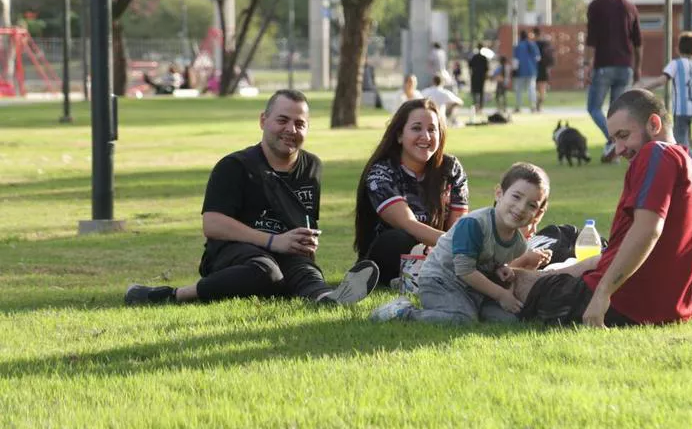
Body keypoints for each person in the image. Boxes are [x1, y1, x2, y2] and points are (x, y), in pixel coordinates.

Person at [124, 89, 379, 306]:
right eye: (282, 120)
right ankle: (172, 294)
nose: (290, 129)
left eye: (299, 124)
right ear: (263, 121)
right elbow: (212, 224)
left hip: (285, 254)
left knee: (306, 274)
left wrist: (304, 242)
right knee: (265, 272)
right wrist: (272, 241)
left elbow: (305, 220)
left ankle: (329, 299)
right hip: (233, 253)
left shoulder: (312, 167)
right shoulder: (234, 165)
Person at [500, 89, 692, 328]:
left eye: (624, 135)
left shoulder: (656, 153)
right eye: (614, 140)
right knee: (564, 235)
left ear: (653, 124)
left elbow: (648, 230)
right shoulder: (684, 162)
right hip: (661, 303)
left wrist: (602, 294)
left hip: (626, 303)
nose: (619, 149)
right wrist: (554, 274)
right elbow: (625, 246)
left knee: (504, 277)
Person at [370, 163, 550, 324]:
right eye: (516, 197)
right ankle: (404, 312)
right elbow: (464, 270)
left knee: (511, 320)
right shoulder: (474, 225)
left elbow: (487, 256)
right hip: (441, 280)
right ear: (499, 193)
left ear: (538, 212)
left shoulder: (518, 245)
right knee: (461, 319)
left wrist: (500, 268)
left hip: (473, 288)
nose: (521, 208)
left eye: (531, 205)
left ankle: (468, 307)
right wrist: (501, 294)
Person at [354, 99, 469, 286]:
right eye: (416, 128)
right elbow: (409, 224)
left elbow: (457, 225)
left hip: (437, 251)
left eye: (432, 129)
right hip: (391, 253)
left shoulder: (451, 168)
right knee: (399, 239)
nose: (426, 136)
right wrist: (458, 246)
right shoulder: (380, 172)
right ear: (399, 135)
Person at [584, 0, 643, 162]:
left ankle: (612, 141)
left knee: (594, 107)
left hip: (604, 64)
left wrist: (587, 64)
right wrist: (637, 67)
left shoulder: (596, 6)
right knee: (616, 112)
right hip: (625, 65)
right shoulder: (630, 7)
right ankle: (617, 149)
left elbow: (591, 39)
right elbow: (638, 42)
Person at [641, 31, 692, 175]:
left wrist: (643, 88)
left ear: (677, 49)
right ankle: (674, 168)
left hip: (681, 109)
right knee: (677, 137)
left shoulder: (676, 64)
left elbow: (662, 80)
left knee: (680, 141)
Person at [512, 30, 540, 113]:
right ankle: (533, 106)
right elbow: (538, 58)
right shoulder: (532, 44)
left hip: (520, 71)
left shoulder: (518, 46)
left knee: (519, 89)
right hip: (531, 71)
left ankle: (518, 107)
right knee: (531, 89)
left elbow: (515, 61)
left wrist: (514, 70)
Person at [533, 26, 554, 112]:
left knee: (536, 88)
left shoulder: (534, 44)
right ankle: (539, 105)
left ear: (534, 34)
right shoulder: (546, 43)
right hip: (544, 68)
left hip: (535, 68)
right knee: (542, 88)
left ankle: (537, 105)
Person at [468, 44, 490, 112]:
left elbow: (470, 65)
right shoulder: (484, 58)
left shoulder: (474, 57)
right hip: (481, 77)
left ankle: (475, 105)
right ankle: (480, 106)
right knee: (481, 92)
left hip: (475, 76)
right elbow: (487, 69)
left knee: (475, 92)